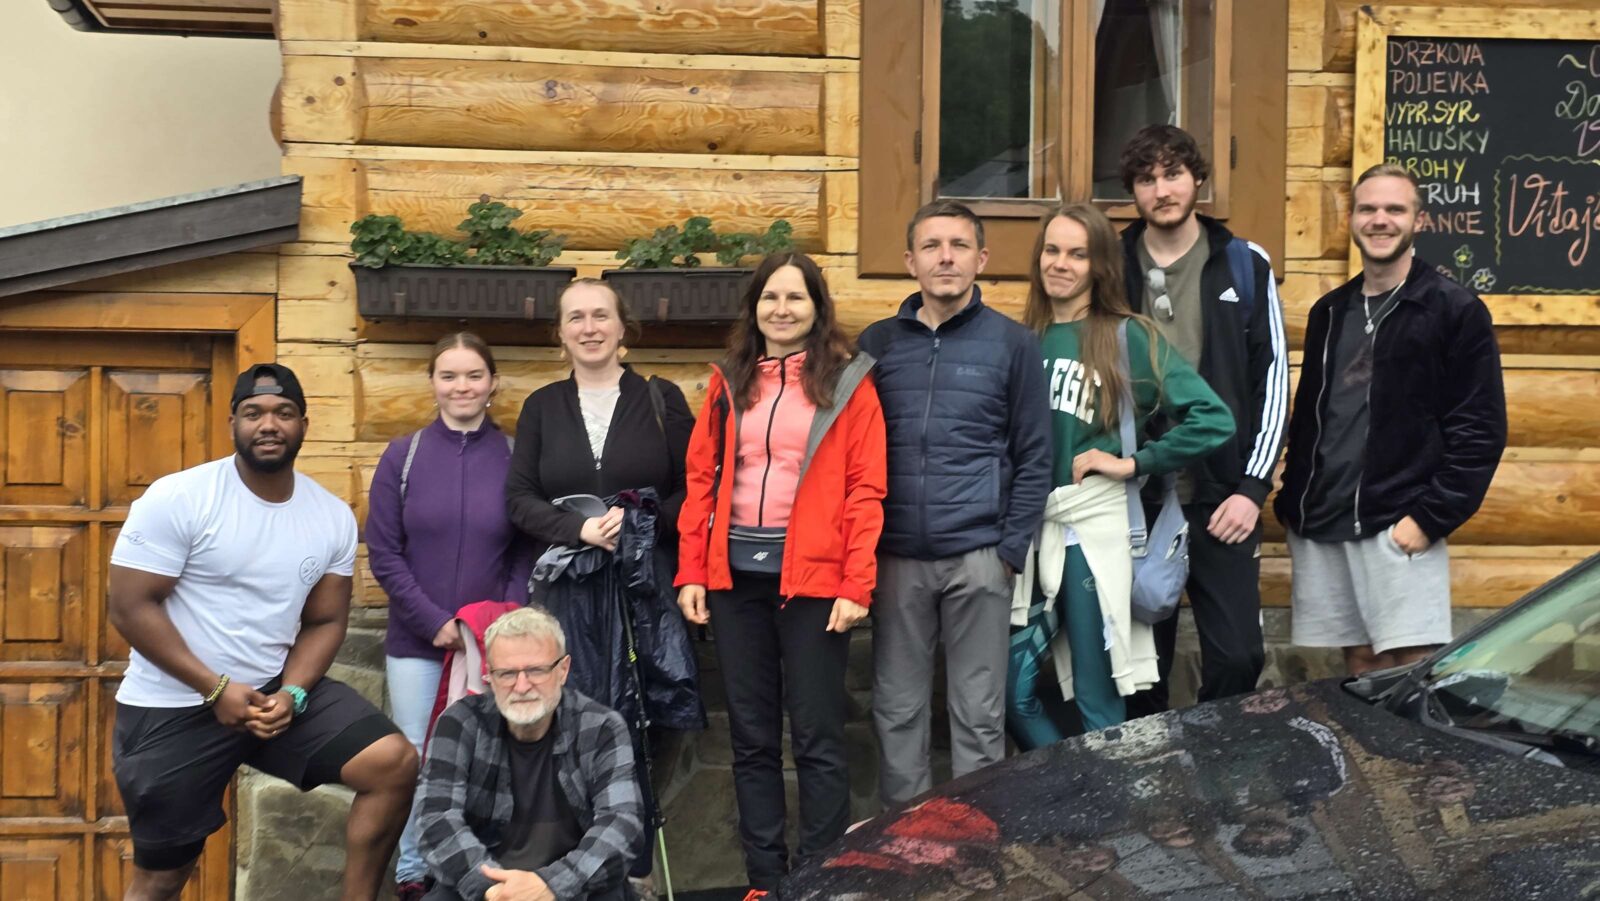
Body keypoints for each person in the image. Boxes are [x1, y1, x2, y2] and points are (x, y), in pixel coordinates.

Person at [107, 363, 417, 901]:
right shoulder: (180, 496)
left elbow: (325, 620)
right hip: (175, 704)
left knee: (392, 764)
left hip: (273, 695)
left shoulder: (330, 515)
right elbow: (129, 607)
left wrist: (294, 691)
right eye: (254, 413)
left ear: (303, 425)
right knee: (161, 880)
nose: (268, 424)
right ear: (233, 423)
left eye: (283, 412)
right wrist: (214, 688)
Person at [676, 252, 887, 897]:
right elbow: (701, 480)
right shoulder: (728, 382)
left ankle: (821, 877)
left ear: (817, 308)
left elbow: (865, 490)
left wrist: (857, 583)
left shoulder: (849, 384)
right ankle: (765, 879)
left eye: (796, 297)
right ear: (755, 307)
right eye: (771, 297)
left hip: (815, 586)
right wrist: (692, 571)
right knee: (752, 738)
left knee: (818, 736)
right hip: (734, 583)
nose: (782, 309)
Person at [504, 278, 702, 895]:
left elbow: (693, 489)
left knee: (646, 717)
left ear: (622, 328)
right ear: (560, 334)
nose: (588, 328)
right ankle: (575, 860)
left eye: (600, 316)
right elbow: (519, 498)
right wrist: (579, 529)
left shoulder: (660, 400)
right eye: (575, 318)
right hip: (570, 592)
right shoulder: (542, 406)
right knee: (574, 718)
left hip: (645, 589)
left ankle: (634, 866)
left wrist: (643, 522)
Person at [1008, 203, 1234, 743]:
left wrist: (1133, 463)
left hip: (1092, 533)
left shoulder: (1127, 336)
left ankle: (1101, 794)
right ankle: (1070, 782)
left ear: (1100, 266)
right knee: (1009, 693)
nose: (1060, 263)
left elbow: (1213, 418)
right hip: (1030, 532)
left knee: (1097, 695)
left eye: (1077, 254)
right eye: (1052, 250)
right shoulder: (1022, 339)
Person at [856, 199, 1051, 805]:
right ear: (910, 260)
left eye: (959, 245)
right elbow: (854, 450)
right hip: (896, 558)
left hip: (979, 556)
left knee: (978, 713)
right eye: (932, 246)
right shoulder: (877, 343)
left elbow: (1035, 453)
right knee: (897, 710)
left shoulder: (1014, 344)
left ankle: (975, 837)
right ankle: (904, 838)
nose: (946, 257)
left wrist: (1010, 550)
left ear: (981, 259)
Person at [1276, 163, 1506, 675]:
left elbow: (1481, 430)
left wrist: (1428, 519)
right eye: (1368, 209)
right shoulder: (1329, 312)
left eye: (1394, 209)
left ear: (1418, 221)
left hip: (1397, 519)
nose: (1380, 220)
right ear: (1352, 219)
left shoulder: (1453, 310)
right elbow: (1314, 415)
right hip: (1323, 519)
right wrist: (1294, 501)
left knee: (1410, 665)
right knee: (1359, 663)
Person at [1115, 125, 1289, 717]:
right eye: (1146, 179)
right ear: (1133, 191)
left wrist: (1252, 489)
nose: (1161, 190)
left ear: (1197, 181)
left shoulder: (1243, 263)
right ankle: (1151, 773)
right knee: (1139, 674)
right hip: (1135, 495)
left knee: (1238, 657)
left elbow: (1273, 380)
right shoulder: (1113, 265)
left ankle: (1213, 762)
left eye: (1173, 174)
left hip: (1222, 499)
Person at [365, 332, 532, 899]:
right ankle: (415, 871)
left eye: (474, 375)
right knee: (418, 755)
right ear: (432, 382)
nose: (462, 386)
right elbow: (384, 552)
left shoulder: (514, 457)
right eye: (449, 375)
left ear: (493, 383)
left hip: (491, 643)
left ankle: (479, 870)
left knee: (487, 753)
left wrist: (499, 622)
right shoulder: (403, 456)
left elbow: (526, 550)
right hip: (418, 643)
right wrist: (431, 620)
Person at [416, 606, 643, 901]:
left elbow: (622, 824)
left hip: (575, 888)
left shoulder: (601, 727)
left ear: (563, 670)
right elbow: (435, 820)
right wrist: (497, 890)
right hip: (484, 888)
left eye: (536, 670)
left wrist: (550, 885)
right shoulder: (459, 723)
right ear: (489, 675)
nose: (521, 686)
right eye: (507, 673)